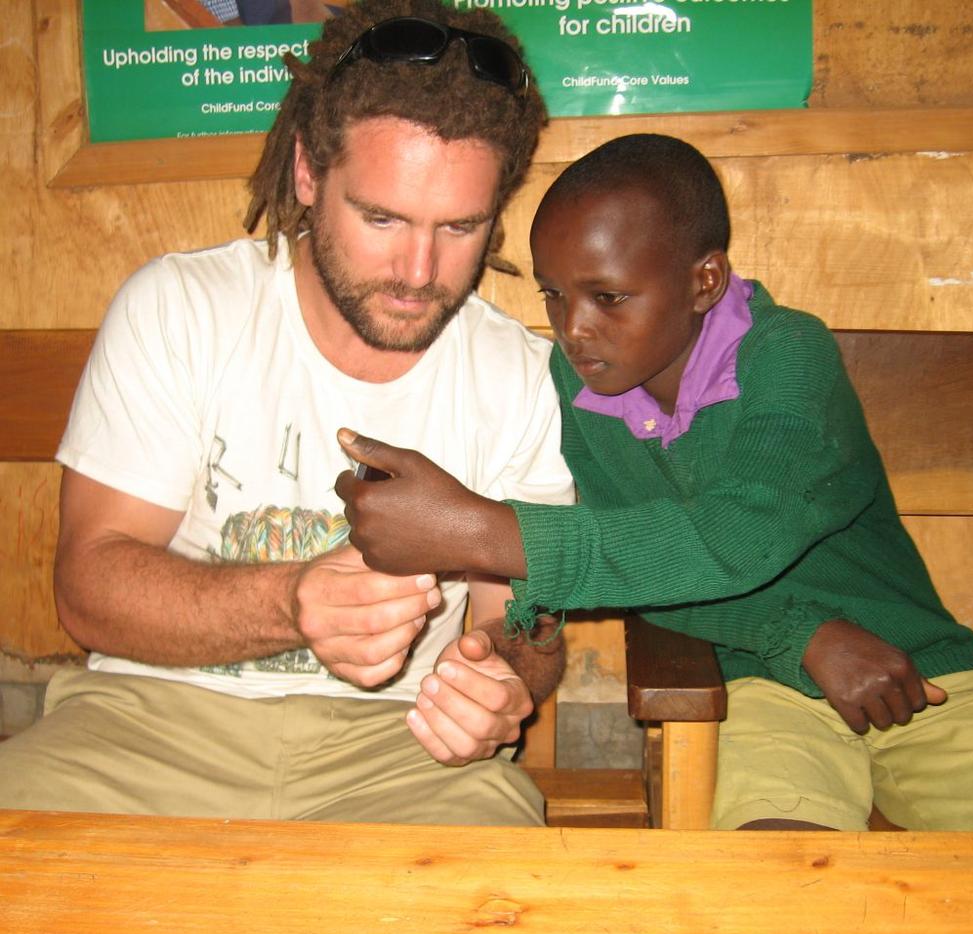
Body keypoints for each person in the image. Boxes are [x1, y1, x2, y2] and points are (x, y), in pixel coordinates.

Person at [0, 0, 575, 826]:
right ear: (307, 172)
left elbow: (524, 621)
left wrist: (504, 681)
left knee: (496, 895)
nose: (419, 271)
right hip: (144, 729)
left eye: (461, 227)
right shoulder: (180, 309)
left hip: (403, 755)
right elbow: (86, 589)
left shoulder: (518, 376)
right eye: (382, 217)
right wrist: (291, 599)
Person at [335, 133, 973, 832]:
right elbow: (649, 579)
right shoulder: (580, 389)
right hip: (756, 689)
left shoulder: (787, 353)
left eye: (608, 297)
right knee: (775, 865)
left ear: (704, 281)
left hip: (921, 673)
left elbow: (734, 536)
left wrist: (477, 530)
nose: (573, 329)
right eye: (554, 295)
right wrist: (800, 637)